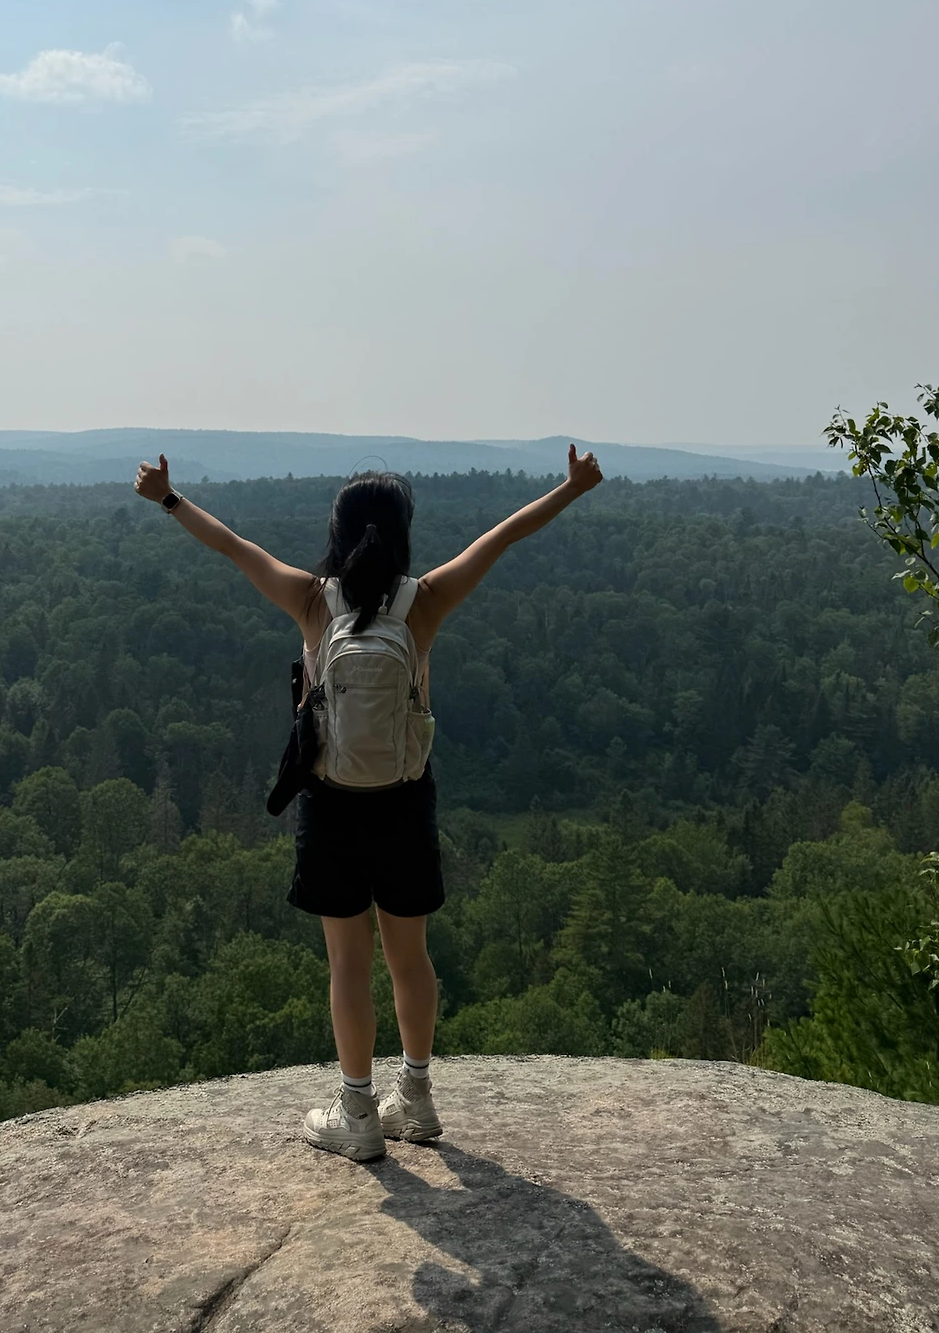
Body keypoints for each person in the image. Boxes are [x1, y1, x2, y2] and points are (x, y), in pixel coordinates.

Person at [134, 443, 604, 1160]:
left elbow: (232, 546)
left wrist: (169, 498)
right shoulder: (425, 603)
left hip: (332, 802)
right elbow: (504, 536)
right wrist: (571, 489)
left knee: (348, 963)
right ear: (403, 531)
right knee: (410, 959)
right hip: (405, 800)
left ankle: (356, 1109)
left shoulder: (310, 601)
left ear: (337, 531)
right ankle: (415, 1097)